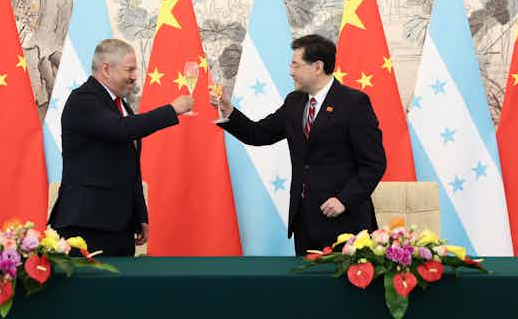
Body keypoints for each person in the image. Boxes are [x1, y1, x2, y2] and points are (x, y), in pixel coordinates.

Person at [212, 34, 386, 255]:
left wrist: (344, 199)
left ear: (317, 67)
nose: (290, 71)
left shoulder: (353, 103)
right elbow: (258, 134)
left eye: (295, 64)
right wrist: (228, 111)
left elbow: (374, 163)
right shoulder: (294, 102)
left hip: (345, 223)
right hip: (304, 221)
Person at [49, 38, 193, 256]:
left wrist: (140, 216)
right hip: (87, 225)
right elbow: (121, 129)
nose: (135, 76)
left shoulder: (120, 104)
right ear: (106, 69)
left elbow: (129, 166)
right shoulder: (83, 99)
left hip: (120, 227)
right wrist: (171, 110)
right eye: (130, 69)